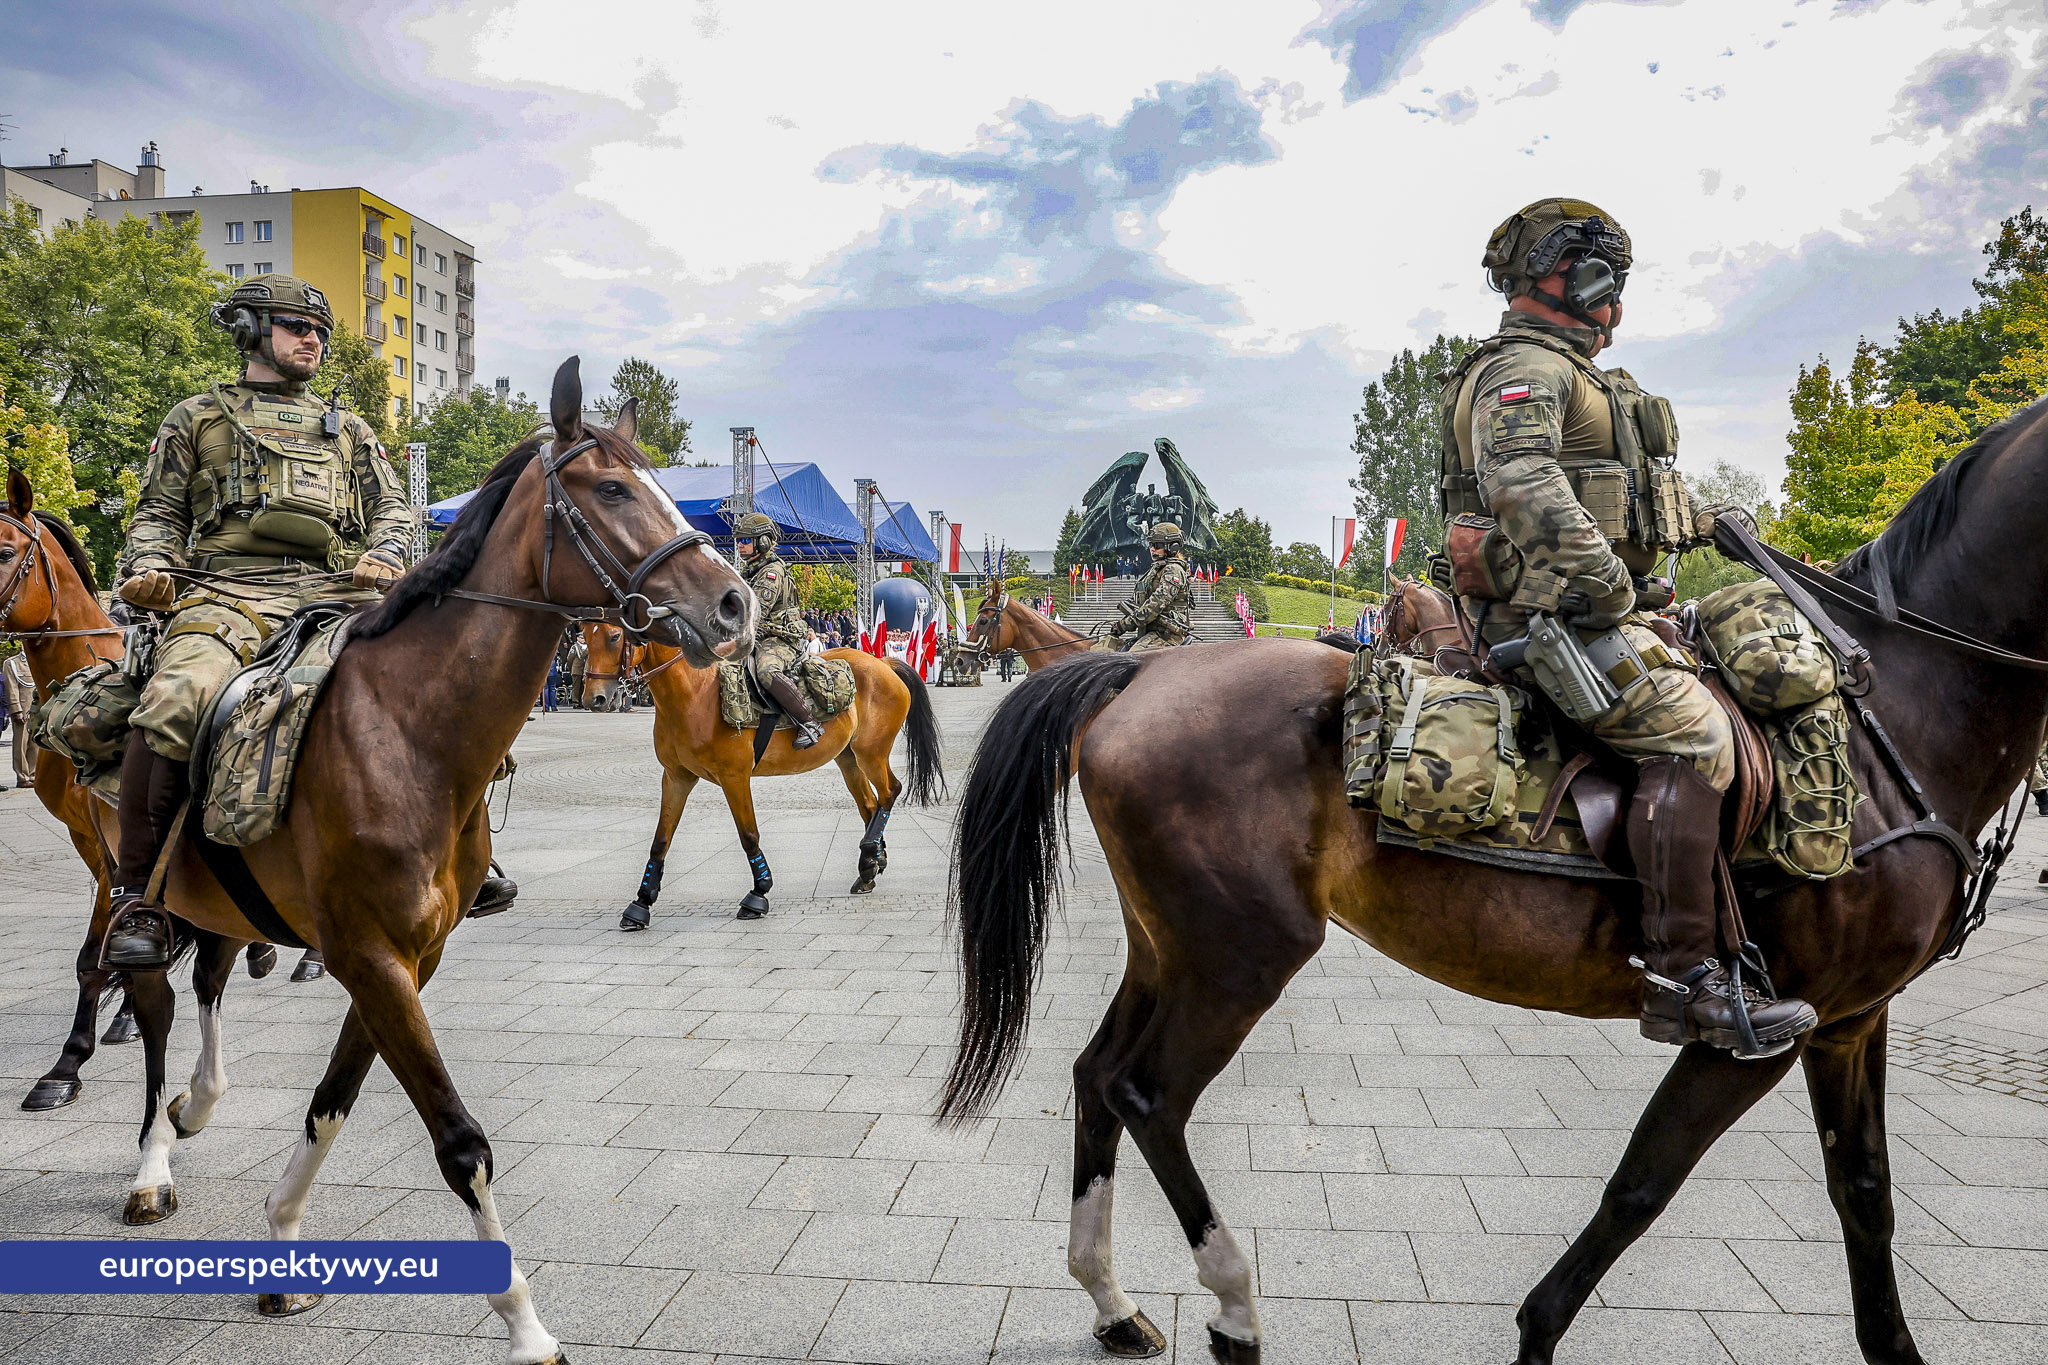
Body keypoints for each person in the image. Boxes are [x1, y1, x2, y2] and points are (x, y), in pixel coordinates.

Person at [1439, 198, 1815, 1057]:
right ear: (1578, 277)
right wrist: (1611, 585)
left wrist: (1703, 520)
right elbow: (1525, 482)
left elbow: (1612, 492)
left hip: (1604, 607)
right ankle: (1687, 980)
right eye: (1611, 278)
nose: (1618, 302)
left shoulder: (1580, 376)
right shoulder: (1526, 369)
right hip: (1554, 619)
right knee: (1698, 738)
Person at [101, 274, 515, 969]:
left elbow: (392, 508)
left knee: (435, 686)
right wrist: (149, 564)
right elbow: (157, 512)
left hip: (332, 593)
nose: (314, 340)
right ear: (252, 332)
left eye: (318, 330)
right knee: (174, 699)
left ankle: (467, 857)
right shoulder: (196, 416)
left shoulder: (348, 428)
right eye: (297, 327)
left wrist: (385, 552)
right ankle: (138, 895)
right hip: (223, 595)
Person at [731, 511, 824, 748]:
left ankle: (809, 723)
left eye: (745, 540)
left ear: (762, 541)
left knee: (766, 671)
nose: (740, 545)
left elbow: (756, 612)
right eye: (738, 540)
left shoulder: (770, 573)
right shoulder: (750, 570)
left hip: (779, 639)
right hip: (760, 635)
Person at [1108, 523, 1194, 652]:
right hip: (1152, 631)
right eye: (1151, 545)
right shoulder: (1157, 569)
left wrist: (1126, 624)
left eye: (1157, 545)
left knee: (1134, 658)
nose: (1152, 549)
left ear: (1172, 547)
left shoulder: (1173, 570)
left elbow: (1155, 604)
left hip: (1168, 635)